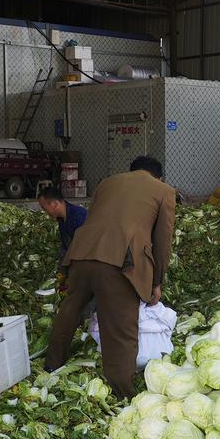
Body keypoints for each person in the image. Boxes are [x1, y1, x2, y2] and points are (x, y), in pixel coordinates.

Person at [44, 155, 175, 398]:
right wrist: (157, 281)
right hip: (120, 262)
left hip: (82, 254)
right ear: (158, 176)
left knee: (71, 310)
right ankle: (122, 392)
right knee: (121, 328)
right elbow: (162, 241)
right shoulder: (164, 191)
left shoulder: (107, 183)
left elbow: (97, 218)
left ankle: (52, 364)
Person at [36, 185, 88, 285]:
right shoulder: (61, 219)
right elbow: (66, 247)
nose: (44, 212)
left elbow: (83, 248)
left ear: (55, 204)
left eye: (44, 208)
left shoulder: (78, 216)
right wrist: (62, 272)